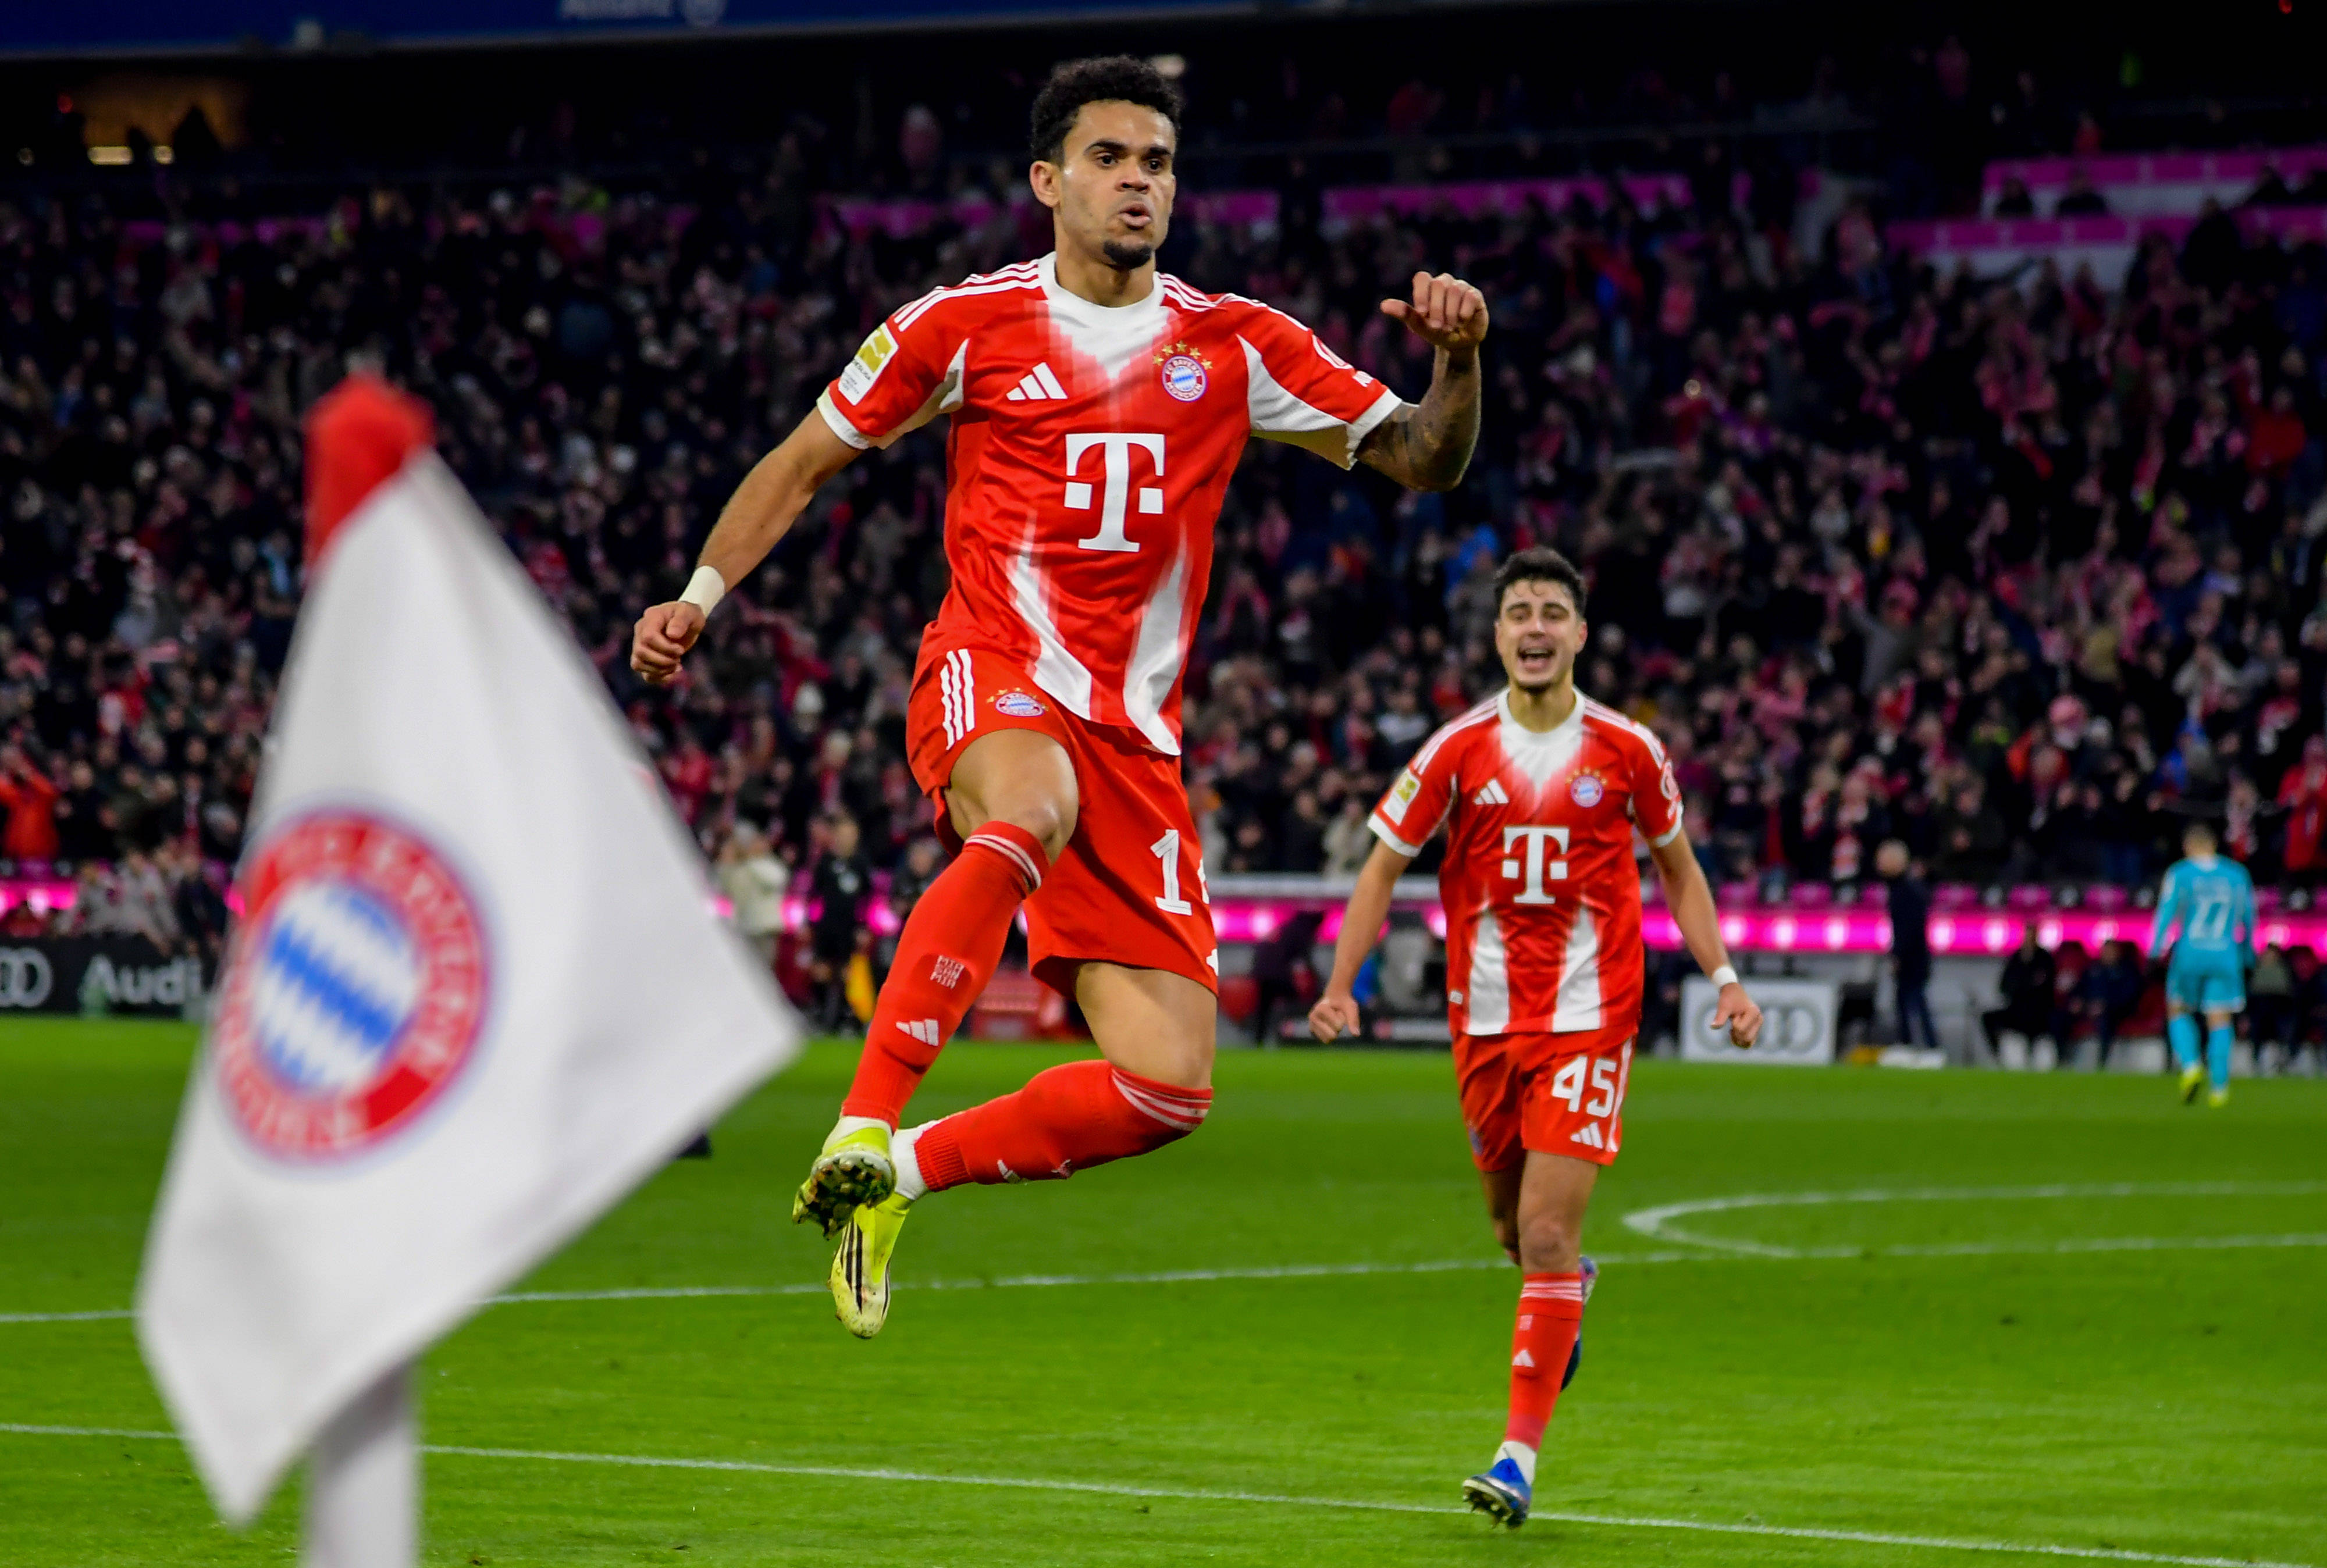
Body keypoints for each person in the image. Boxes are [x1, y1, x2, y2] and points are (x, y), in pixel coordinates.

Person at [629, 55, 1490, 1338]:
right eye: (1108, 159)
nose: (1137, 183)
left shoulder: (1233, 343)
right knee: (1025, 806)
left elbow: (1424, 460)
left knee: (1167, 1086)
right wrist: (698, 593)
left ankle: (900, 1175)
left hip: (1132, 740)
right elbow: (804, 462)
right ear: (1047, 182)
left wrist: (1459, 366)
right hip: (993, 669)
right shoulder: (961, 326)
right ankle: (861, 1120)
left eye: (1155, 162)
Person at [1307, 547, 1762, 1528]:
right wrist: (1341, 987)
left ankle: (1516, 1458)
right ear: (1500, 633)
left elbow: (1678, 869)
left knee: (1551, 1232)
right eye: (1520, 612)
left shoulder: (1629, 749)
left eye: (1554, 611)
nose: (1536, 627)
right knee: (1515, 1236)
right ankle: (1570, 1295)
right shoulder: (1455, 750)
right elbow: (1383, 866)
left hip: (1592, 1017)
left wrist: (1723, 978)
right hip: (1485, 1026)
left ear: (1581, 633)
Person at [2151, 819, 2258, 1107]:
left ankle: (2191, 1065)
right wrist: (2248, 953)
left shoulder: (2181, 873)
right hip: (2225, 954)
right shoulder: (2237, 875)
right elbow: (2249, 917)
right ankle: (2220, 1089)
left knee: (2178, 1008)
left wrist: (2155, 948)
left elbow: (2167, 911)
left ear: (2189, 847)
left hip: (2190, 953)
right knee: (2220, 1017)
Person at [807, 814, 874, 1033]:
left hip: (850, 927)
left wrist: (864, 927)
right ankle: (819, 1014)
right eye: (843, 834)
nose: (846, 838)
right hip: (827, 925)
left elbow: (868, 898)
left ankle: (846, 1018)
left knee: (847, 971)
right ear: (836, 836)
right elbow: (813, 894)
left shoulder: (861, 863)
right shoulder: (825, 862)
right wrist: (809, 923)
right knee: (822, 970)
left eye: (851, 834)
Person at [1875, 839, 1937, 1053]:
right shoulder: (1904, 888)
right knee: (1907, 1001)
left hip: (1913, 957)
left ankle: (1928, 1046)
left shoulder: (1906, 891)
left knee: (1914, 1001)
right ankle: (1913, 1044)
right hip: (1914, 955)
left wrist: (1898, 954)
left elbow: (1909, 928)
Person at [716, 820, 791, 972]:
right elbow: (723, 888)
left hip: (764, 931)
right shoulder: (739, 869)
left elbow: (778, 879)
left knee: (763, 974)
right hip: (744, 929)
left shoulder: (767, 864)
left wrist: (750, 858)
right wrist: (725, 864)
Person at [1981, 922, 2061, 1065]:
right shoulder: (2016, 957)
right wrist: (2025, 984)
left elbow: (2046, 988)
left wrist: (2023, 986)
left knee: (2053, 1021)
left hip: (2039, 1011)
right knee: (1988, 1019)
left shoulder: (2045, 958)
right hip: (2016, 1009)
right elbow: (2004, 986)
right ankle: (1998, 1055)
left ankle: (2054, 1059)